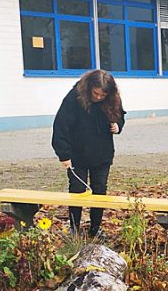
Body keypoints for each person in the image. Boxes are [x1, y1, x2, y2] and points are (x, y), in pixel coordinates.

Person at [51, 69, 124, 238]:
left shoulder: (112, 98)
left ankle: (95, 228)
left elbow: (119, 115)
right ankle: (74, 228)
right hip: (77, 155)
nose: (98, 97)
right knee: (77, 190)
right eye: (96, 93)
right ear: (89, 87)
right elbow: (61, 126)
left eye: (102, 95)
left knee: (100, 191)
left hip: (102, 154)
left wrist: (118, 125)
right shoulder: (74, 98)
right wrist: (64, 155)